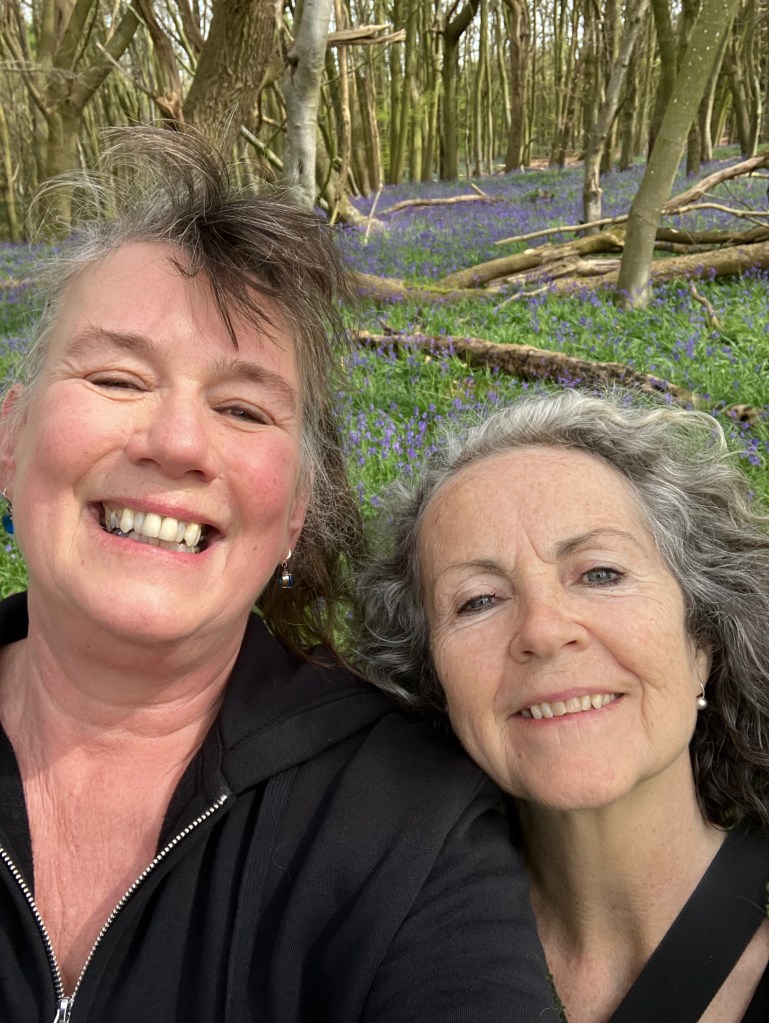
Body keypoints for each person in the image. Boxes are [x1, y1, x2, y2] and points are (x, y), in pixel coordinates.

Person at [0, 128, 555, 1022]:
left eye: (243, 408)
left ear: (295, 507)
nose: (177, 442)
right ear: (11, 437)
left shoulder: (408, 822)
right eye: (117, 378)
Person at [355, 388, 769, 1023]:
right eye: (479, 600)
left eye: (600, 573)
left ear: (702, 643)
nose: (544, 632)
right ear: (431, 681)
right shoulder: (373, 953)